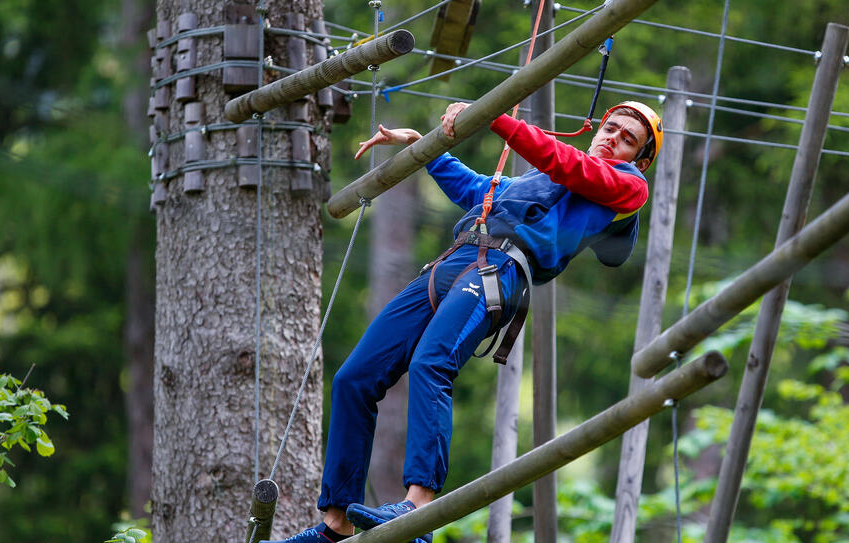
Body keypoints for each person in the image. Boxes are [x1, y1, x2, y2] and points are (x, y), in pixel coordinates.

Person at [264, 100, 663, 543]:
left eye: (628, 139)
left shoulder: (628, 187)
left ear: (640, 160)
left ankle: (417, 510)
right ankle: (334, 524)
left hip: (502, 269)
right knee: (354, 378)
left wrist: (496, 116)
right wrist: (425, 148)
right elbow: (480, 190)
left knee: (431, 363)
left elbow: (568, 164)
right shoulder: (539, 179)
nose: (612, 139)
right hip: (453, 261)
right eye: (610, 128)